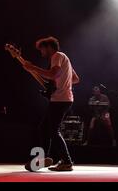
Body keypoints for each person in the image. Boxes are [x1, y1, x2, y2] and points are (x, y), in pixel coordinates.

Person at [22, 36, 80, 172]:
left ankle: (67, 161)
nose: (41, 53)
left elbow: (53, 74)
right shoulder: (65, 58)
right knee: (43, 128)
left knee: (53, 130)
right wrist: (59, 85)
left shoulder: (56, 56)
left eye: (42, 50)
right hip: (62, 98)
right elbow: (76, 79)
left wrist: (33, 68)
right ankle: (45, 158)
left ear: (49, 47)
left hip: (61, 99)